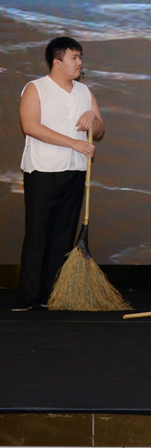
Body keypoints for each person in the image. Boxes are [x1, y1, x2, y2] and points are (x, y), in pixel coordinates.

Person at [12, 37, 104, 312]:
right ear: (57, 62)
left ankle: (50, 294)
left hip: (75, 170)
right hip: (44, 170)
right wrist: (73, 142)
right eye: (74, 57)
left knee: (63, 236)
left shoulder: (84, 91)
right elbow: (30, 126)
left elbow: (100, 131)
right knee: (38, 233)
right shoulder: (36, 88)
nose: (79, 62)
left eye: (80, 57)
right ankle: (28, 295)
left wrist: (93, 118)